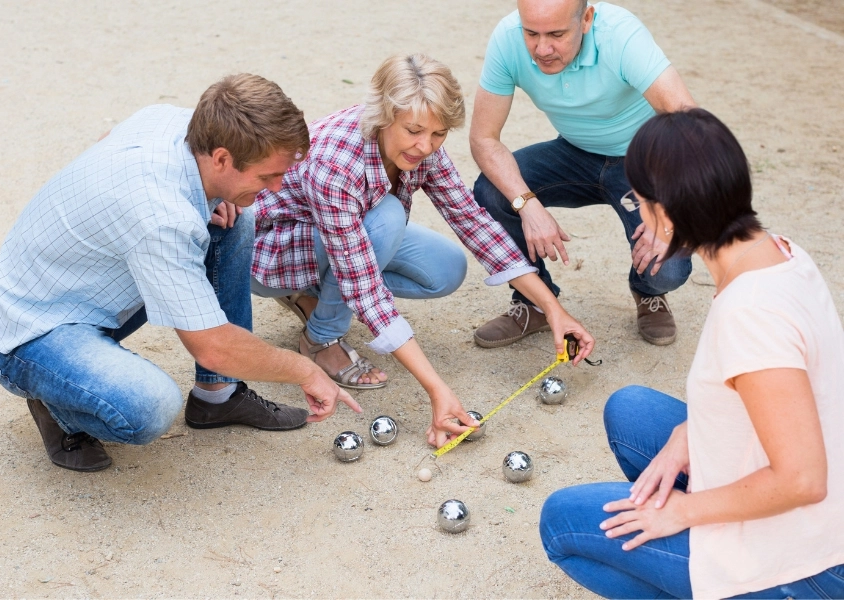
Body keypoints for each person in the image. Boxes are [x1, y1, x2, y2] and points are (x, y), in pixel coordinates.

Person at [0, 74, 361, 473]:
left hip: (75, 289)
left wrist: (210, 198)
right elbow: (213, 345)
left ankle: (218, 395)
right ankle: (57, 406)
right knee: (149, 407)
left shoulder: (175, 123)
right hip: (31, 334)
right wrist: (304, 369)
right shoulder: (163, 219)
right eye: (267, 176)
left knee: (234, 221)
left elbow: (106, 139)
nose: (277, 187)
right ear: (222, 158)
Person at [538, 109, 844, 598]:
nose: (638, 214)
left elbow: (803, 480)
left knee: (561, 525)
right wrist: (689, 432)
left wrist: (684, 512)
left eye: (640, 202)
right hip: (814, 504)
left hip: (810, 556)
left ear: (668, 212)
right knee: (631, 410)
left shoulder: (751, 314)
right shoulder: (779, 252)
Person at [251, 54, 594, 448]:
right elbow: (364, 287)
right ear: (383, 114)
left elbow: (471, 220)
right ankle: (321, 338)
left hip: (349, 234)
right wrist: (437, 390)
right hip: (272, 251)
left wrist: (554, 309)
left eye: (438, 134)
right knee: (389, 217)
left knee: (445, 269)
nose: (425, 146)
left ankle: (313, 294)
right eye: (414, 130)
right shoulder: (336, 161)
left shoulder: (422, 144)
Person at [470, 0, 697, 349]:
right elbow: (484, 139)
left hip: (643, 161)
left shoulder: (620, 35)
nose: (542, 49)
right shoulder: (507, 38)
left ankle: (647, 292)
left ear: (586, 19)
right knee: (493, 191)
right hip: (574, 152)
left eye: (557, 34)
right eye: (531, 33)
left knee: (667, 268)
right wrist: (528, 205)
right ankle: (535, 302)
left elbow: (689, 122)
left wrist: (665, 212)